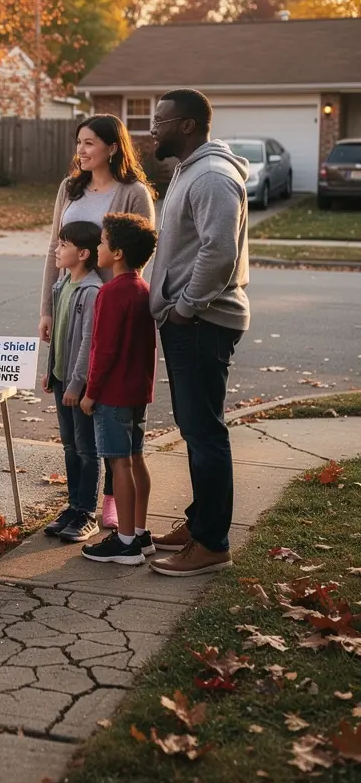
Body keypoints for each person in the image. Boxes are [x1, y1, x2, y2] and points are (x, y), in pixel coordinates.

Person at [146, 88, 250, 578]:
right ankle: (200, 522)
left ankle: (211, 543)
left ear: (187, 125)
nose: (153, 127)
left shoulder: (211, 176)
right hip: (191, 321)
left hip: (203, 322)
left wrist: (186, 307)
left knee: (204, 431)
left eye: (161, 119)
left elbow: (219, 252)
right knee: (195, 428)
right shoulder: (191, 170)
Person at [39, 114, 155, 530]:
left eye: (90, 143)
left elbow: (141, 252)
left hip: (109, 312)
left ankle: (109, 500)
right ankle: (82, 501)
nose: (82, 150)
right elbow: (55, 248)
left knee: (101, 407)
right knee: (74, 411)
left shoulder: (133, 192)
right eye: (79, 142)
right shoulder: (69, 189)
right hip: (71, 305)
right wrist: (47, 309)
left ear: (112, 146)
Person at [80, 213, 158, 566]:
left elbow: (104, 349)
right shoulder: (143, 290)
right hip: (137, 391)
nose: (98, 246)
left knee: (119, 463)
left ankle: (125, 542)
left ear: (118, 252)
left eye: (103, 241)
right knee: (136, 457)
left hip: (112, 393)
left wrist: (90, 392)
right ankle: (140, 532)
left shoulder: (112, 293)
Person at [41, 220, 103, 543]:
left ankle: (87, 512)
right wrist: (51, 372)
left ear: (82, 253)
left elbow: (87, 342)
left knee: (86, 448)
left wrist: (78, 384)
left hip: (79, 387)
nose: (57, 249)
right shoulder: (62, 286)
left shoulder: (91, 291)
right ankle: (73, 504)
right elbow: (60, 337)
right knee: (69, 445)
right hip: (62, 381)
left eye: (63, 245)